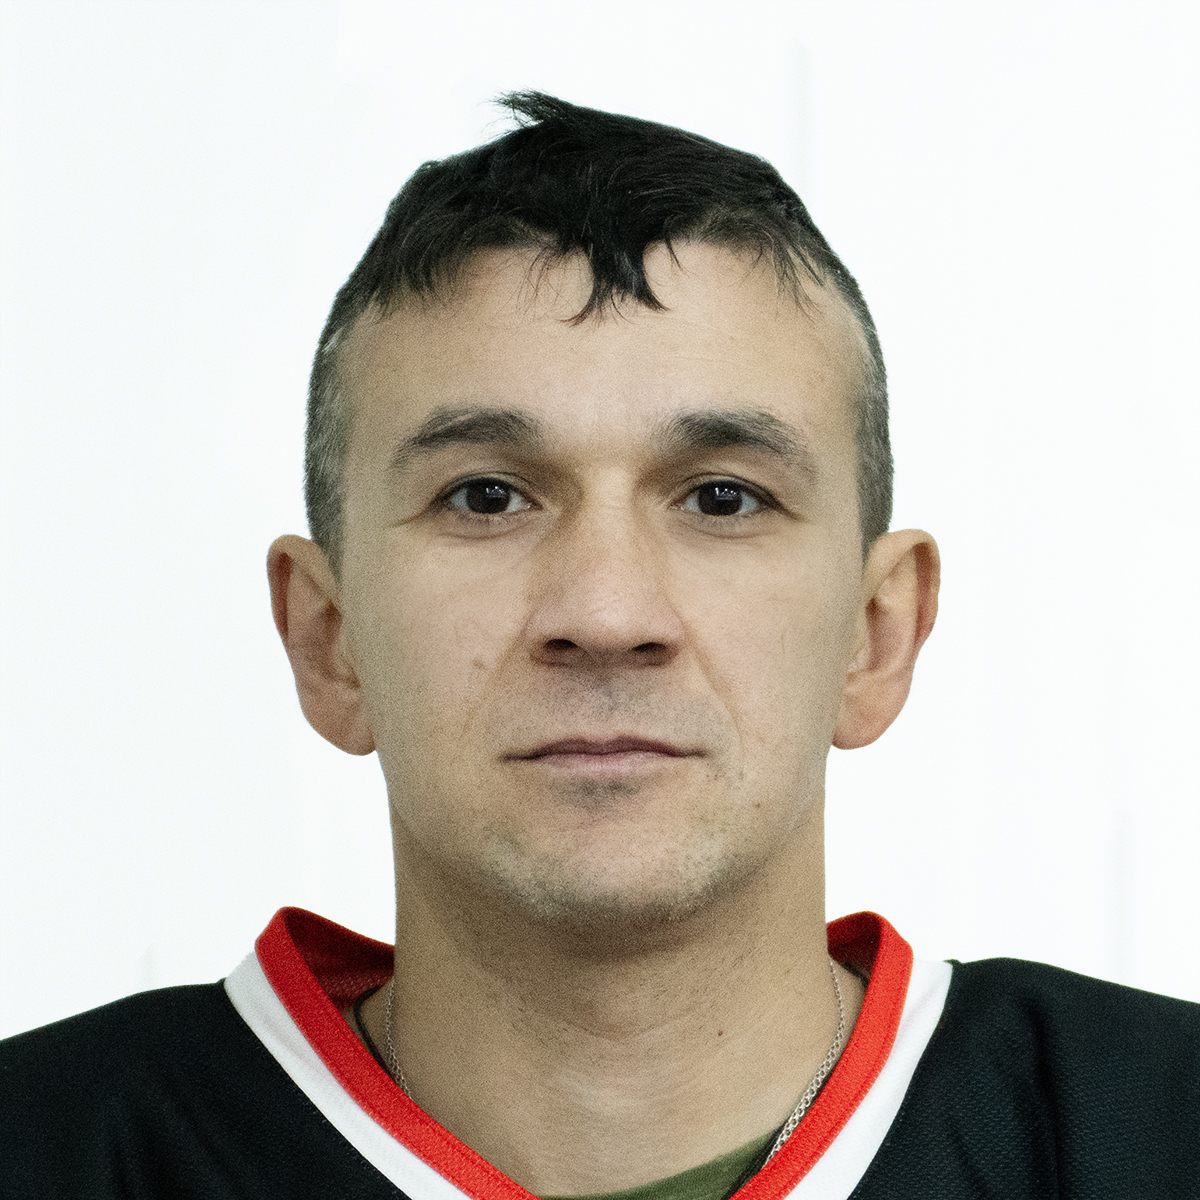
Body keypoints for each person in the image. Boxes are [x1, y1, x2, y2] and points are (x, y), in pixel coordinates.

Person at [2, 92, 1197, 1200]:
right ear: (329, 639)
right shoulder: (49, 1147)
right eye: (486, 497)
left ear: (875, 634)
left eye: (723, 498)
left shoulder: (1156, 1130)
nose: (609, 614)